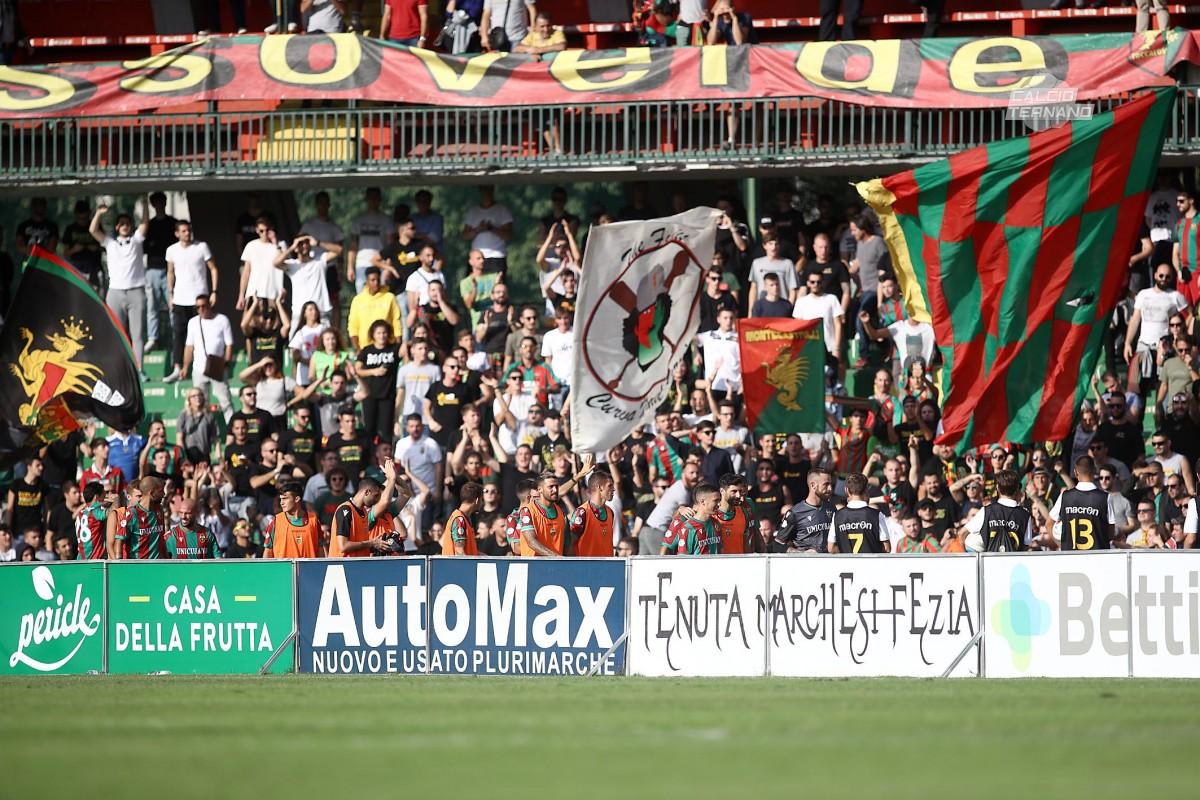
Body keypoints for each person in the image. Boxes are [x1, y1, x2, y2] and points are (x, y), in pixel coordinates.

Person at [90, 200, 150, 372]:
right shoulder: (110, 243)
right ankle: (120, 369)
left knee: (137, 335)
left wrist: (145, 202)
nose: (124, 226)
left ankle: (139, 370)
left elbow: (145, 223)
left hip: (136, 291)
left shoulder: (136, 240)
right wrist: (99, 213)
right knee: (117, 334)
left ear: (131, 226)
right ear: (117, 227)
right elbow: (93, 230)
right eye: (121, 224)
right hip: (115, 292)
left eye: (127, 224)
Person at [164, 220, 219, 383]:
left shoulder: (201, 247)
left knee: (203, 333)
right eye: (183, 231)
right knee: (179, 334)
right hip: (180, 299)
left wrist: (214, 292)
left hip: (200, 298)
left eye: (189, 230)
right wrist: (170, 294)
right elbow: (170, 272)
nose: (187, 233)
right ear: (177, 233)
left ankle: (206, 368)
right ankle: (177, 368)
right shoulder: (171, 250)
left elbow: (213, 268)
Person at [274, 234, 340, 336]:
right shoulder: (292, 265)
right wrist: (292, 246)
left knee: (324, 348)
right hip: (299, 314)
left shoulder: (320, 261)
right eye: (300, 244)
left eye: (306, 243)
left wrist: (317, 242)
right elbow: (276, 263)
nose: (304, 246)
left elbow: (339, 250)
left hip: (321, 313)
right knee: (296, 348)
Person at [183, 294, 235, 420]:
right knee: (200, 404)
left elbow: (229, 344)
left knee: (225, 401)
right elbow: (189, 347)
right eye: (198, 307)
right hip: (199, 368)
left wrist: (226, 363)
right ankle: (203, 430)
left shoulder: (222, 320)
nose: (201, 309)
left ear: (209, 305)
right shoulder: (193, 322)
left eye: (203, 306)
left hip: (217, 367)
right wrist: (185, 366)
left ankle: (232, 429)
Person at [1047, 456, 1115, 551]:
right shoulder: (1105, 498)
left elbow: (1048, 524)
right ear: (1095, 471)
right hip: (1097, 559)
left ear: (1075, 472)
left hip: (1071, 558)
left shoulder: (1065, 496)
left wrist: (1062, 545)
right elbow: (1111, 534)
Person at [330, 461, 396, 557]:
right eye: (376, 495)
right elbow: (343, 546)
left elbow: (360, 544)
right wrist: (371, 543)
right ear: (367, 492)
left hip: (358, 566)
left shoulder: (364, 512)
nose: (377, 500)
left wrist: (377, 545)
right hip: (341, 568)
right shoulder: (346, 510)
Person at [827, 472, 897, 554]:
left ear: (846, 490)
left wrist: (845, 552)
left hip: (847, 565)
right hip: (870, 565)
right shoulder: (876, 514)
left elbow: (831, 548)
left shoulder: (837, 515)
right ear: (866, 490)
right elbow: (887, 548)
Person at [964, 469, 1033, 552]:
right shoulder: (1025, 516)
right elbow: (1026, 547)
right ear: (1017, 488)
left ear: (997, 488)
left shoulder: (986, 511)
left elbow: (962, 534)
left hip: (988, 563)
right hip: (1014, 564)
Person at [356, 320, 401, 442]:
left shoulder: (394, 349)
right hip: (370, 395)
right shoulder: (366, 351)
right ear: (373, 335)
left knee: (386, 432)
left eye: (384, 333)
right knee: (369, 430)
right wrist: (373, 371)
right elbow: (358, 370)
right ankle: (370, 458)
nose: (382, 336)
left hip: (387, 396)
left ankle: (386, 460)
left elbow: (406, 351)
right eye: (379, 333)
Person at [777, 467, 835, 553]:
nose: (830, 488)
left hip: (828, 562)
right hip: (806, 564)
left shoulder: (831, 508)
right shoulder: (795, 513)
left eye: (831, 484)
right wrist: (801, 554)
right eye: (826, 484)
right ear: (813, 485)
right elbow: (778, 544)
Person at [461, 185, 513, 274]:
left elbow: (508, 235)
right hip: (476, 257)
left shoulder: (502, 210)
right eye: (484, 190)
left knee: (496, 286)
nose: (486, 193)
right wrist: (478, 229)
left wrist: (492, 228)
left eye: (489, 190)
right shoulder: (473, 211)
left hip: (496, 256)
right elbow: (464, 236)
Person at [263, 481, 324, 558]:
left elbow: (320, 550)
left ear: (297, 499)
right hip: (283, 570)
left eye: (285, 498)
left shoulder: (314, 520)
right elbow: (268, 552)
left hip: (308, 569)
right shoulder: (275, 521)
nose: (281, 503)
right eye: (281, 499)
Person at [347, 266, 402, 349]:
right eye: (372, 280)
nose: (376, 283)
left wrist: (398, 346)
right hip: (364, 347)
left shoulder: (390, 297)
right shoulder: (358, 300)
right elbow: (353, 326)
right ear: (367, 281)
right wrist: (357, 349)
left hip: (387, 346)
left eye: (378, 280)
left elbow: (396, 323)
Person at [113, 477, 168, 560]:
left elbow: (161, 540)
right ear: (151, 493)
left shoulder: (159, 510)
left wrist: (167, 560)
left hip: (158, 566)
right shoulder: (131, 514)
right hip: (138, 567)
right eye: (161, 491)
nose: (164, 494)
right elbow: (119, 541)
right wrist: (119, 565)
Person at [238, 216, 284, 309]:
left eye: (267, 230)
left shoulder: (281, 245)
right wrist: (241, 295)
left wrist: (275, 242)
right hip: (254, 293)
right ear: (257, 230)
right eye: (261, 231)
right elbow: (246, 272)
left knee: (273, 321)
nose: (265, 233)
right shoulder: (251, 246)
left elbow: (284, 263)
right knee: (251, 322)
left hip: (273, 293)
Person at [517, 471, 566, 556]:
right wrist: (555, 557)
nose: (555, 490)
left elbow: (566, 542)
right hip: (534, 566)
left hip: (556, 566)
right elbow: (531, 542)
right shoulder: (528, 511)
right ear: (540, 489)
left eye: (556, 486)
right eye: (551, 487)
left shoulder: (560, 511)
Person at [569, 471, 616, 557]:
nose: (614, 489)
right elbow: (570, 543)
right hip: (587, 568)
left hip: (607, 567)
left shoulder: (610, 512)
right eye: (610, 486)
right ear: (600, 488)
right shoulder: (582, 512)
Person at [667, 483, 723, 555]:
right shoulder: (688, 528)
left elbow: (720, 550)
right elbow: (683, 559)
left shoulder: (716, 523)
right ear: (703, 502)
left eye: (720, 500)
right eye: (716, 500)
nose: (719, 504)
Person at [715, 473, 759, 554]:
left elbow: (746, 544)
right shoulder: (711, 514)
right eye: (734, 491)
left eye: (740, 491)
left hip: (740, 564)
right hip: (718, 564)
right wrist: (682, 509)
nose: (738, 495)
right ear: (722, 491)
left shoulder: (743, 512)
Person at [6, 456, 46, 535]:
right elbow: (9, 509)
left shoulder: (43, 486)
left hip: (36, 531)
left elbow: (47, 509)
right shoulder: (16, 484)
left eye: (42, 465)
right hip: (18, 530)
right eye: (37, 465)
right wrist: (8, 528)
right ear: (29, 466)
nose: (41, 467)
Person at [443, 482, 483, 555]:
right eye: (481, 499)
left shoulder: (464, 518)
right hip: (455, 566)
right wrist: (467, 566)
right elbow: (459, 550)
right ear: (477, 500)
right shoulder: (459, 520)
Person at [74, 483, 111, 560]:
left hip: (80, 559)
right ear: (96, 497)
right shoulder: (95, 511)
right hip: (94, 559)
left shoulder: (81, 513)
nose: (106, 497)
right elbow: (110, 512)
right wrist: (117, 499)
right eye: (104, 495)